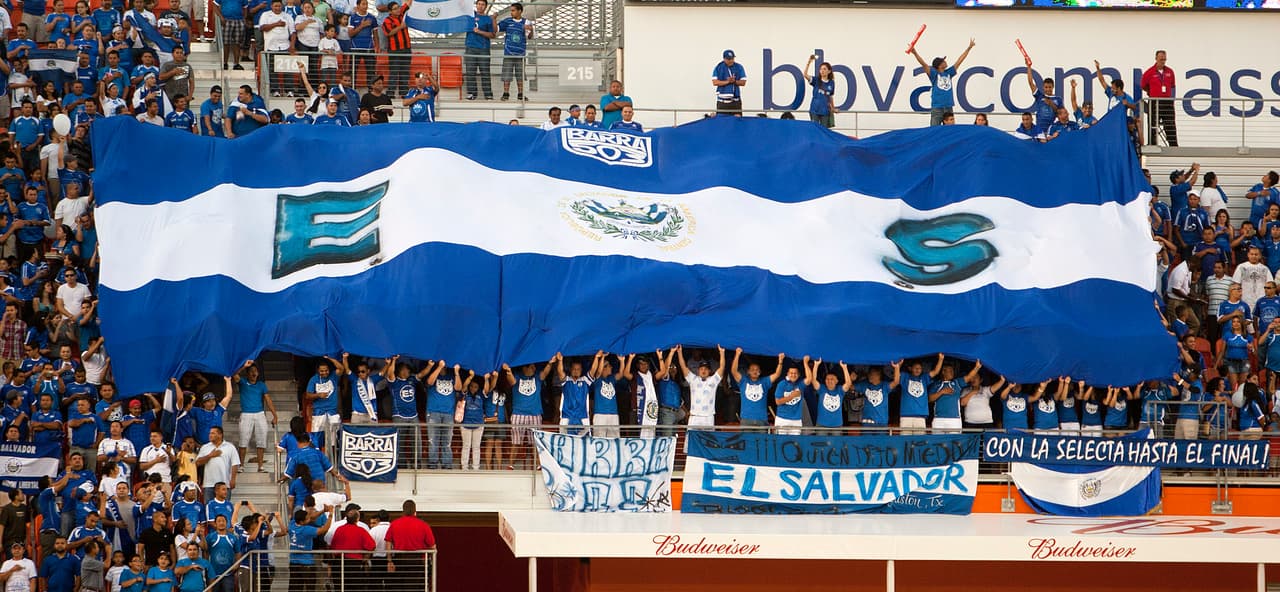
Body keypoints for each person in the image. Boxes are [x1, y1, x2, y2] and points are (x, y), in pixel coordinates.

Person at [907, 37, 975, 127]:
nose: (945, 61)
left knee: (950, 131)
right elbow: (923, 64)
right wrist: (915, 53)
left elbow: (959, 61)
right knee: (934, 131)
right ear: (939, 65)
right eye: (943, 61)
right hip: (937, 107)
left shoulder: (949, 73)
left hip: (948, 106)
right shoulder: (934, 74)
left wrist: (969, 48)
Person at [502, 359, 550, 470]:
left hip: (535, 413)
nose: (534, 368)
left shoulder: (537, 377)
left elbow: (546, 372)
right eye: (532, 366)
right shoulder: (517, 376)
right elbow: (511, 381)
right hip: (518, 413)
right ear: (525, 368)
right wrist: (508, 371)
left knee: (535, 442)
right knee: (516, 442)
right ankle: (511, 465)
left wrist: (550, 363)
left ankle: (539, 465)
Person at [232, 361, 278, 473]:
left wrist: (274, 415)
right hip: (246, 414)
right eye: (251, 371)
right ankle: (241, 466)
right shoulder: (243, 382)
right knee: (243, 440)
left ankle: (260, 466)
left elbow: (268, 400)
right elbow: (234, 375)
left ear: (258, 373)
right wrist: (244, 366)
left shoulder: (261, 385)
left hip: (260, 414)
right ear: (247, 373)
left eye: (255, 371)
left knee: (261, 440)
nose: (254, 373)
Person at [385, 500, 434, 589]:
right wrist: (429, 559)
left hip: (399, 559)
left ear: (403, 511)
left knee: (399, 587)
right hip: (416, 561)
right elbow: (432, 546)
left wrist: (389, 561)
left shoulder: (394, 524)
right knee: (414, 586)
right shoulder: (423, 525)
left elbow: (388, 543)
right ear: (415, 511)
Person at [287, 505, 335, 592]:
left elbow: (311, 518)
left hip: (293, 563)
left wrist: (323, 510)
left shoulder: (292, 525)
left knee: (294, 588)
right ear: (302, 521)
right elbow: (324, 529)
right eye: (307, 519)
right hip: (306, 564)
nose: (310, 519)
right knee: (310, 587)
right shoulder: (307, 530)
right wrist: (330, 514)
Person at [731, 349, 784, 428]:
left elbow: (777, 374)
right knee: (746, 440)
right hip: (746, 419)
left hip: (761, 419)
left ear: (760, 372)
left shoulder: (765, 381)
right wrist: (737, 355)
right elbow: (734, 371)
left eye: (757, 370)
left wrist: (780, 362)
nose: (755, 371)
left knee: (761, 440)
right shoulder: (743, 381)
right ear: (748, 371)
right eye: (752, 370)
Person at [677, 345, 724, 432]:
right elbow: (683, 366)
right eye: (701, 369)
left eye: (706, 369)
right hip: (694, 416)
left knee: (707, 441)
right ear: (698, 371)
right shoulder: (693, 379)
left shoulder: (713, 380)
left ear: (709, 371)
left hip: (708, 417)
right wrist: (679, 353)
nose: (703, 371)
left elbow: (721, 368)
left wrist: (722, 353)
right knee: (691, 440)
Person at [1141, 50, 1177, 147]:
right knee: (1153, 123)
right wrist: (1151, 92)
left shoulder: (1170, 71)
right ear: (1156, 58)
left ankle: (1173, 144)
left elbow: (1172, 85)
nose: (1163, 61)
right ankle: (1152, 143)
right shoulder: (1149, 72)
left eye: (1164, 59)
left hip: (1167, 102)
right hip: (1155, 101)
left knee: (1170, 124)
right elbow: (1143, 85)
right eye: (1161, 59)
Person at [496, 2, 531, 101]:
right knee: (506, 74)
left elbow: (530, 36)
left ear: (519, 11)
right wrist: (494, 19)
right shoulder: (507, 21)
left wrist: (530, 30)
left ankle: (521, 94)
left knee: (520, 75)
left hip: (520, 54)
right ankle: (506, 93)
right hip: (508, 52)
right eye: (511, 10)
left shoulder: (526, 22)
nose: (511, 12)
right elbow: (497, 29)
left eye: (513, 10)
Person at [195, 426, 239, 502]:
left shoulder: (230, 447)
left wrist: (233, 479)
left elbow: (235, 464)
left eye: (213, 433)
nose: (210, 435)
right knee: (208, 508)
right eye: (210, 433)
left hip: (224, 483)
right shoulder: (205, 447)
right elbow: (198, 463)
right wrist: (210, 456)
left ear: (220, 435)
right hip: (209, 484)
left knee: (224, 508)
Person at [463, 0, 494, 100]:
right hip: (470, 47)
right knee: (470, 72)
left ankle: (488, 94)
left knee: (485, 72)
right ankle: (472, 93)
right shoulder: (470, 16)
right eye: (479, 4)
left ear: (486, 6)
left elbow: (492, 35)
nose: (480, 6)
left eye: (482, 4)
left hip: (483, 49)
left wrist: (479, 32)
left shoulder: (488, 19)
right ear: (476, 5)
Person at [554, 353, 590, 434]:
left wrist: (597, 357)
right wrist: (560, 360)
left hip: (583, 417)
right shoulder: (566, 380)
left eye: (578, 369)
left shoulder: (585, 381)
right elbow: (560, 372)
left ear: (581, 370)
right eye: (574, 369)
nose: (576, 371)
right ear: (570, 369)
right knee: (565, 440)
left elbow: (594, 371)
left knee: (583, 442)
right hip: (566, 417)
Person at [1023, 61, 1058, 133]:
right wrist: (1029, 67)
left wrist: (1051, 104)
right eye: (1046, 87)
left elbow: (1060, 114)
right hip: (1039, 130)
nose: (1048, 89)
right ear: (1043, 87)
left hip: (1051, 130)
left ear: (1053, 87)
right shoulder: (1039, 96)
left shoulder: (1058, 99)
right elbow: (1030, 83)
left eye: (1050, 87)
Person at [802, 55, 835, 128]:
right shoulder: (816, 80)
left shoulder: (831, 83)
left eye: (824, 69)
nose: (822, 71)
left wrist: (833, 108)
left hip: (825, 111)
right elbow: (805, 75)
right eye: (821, 69)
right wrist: (809, 62)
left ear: (829, 71)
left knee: (824, 131)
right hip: (814, 110)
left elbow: (830, 96)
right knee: (815, 130)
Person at [711, 49, 746, 115]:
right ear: (724, 59)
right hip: (722, 102)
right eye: (729, 59)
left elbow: (743, 82)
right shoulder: (718, 67)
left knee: (737, 122)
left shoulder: (739, 67)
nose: (731, 61)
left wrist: (734, 81)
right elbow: (715, 82)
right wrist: (728, 82)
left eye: (732, 58)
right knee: (722, 122)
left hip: (735, 101)